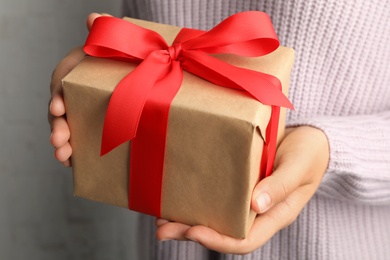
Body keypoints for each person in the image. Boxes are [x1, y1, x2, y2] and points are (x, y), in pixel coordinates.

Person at [49, 0, 390, 259]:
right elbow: (148, 32)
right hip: (166, 245)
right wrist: (91, 73)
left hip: (333, 245)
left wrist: (330, 150)